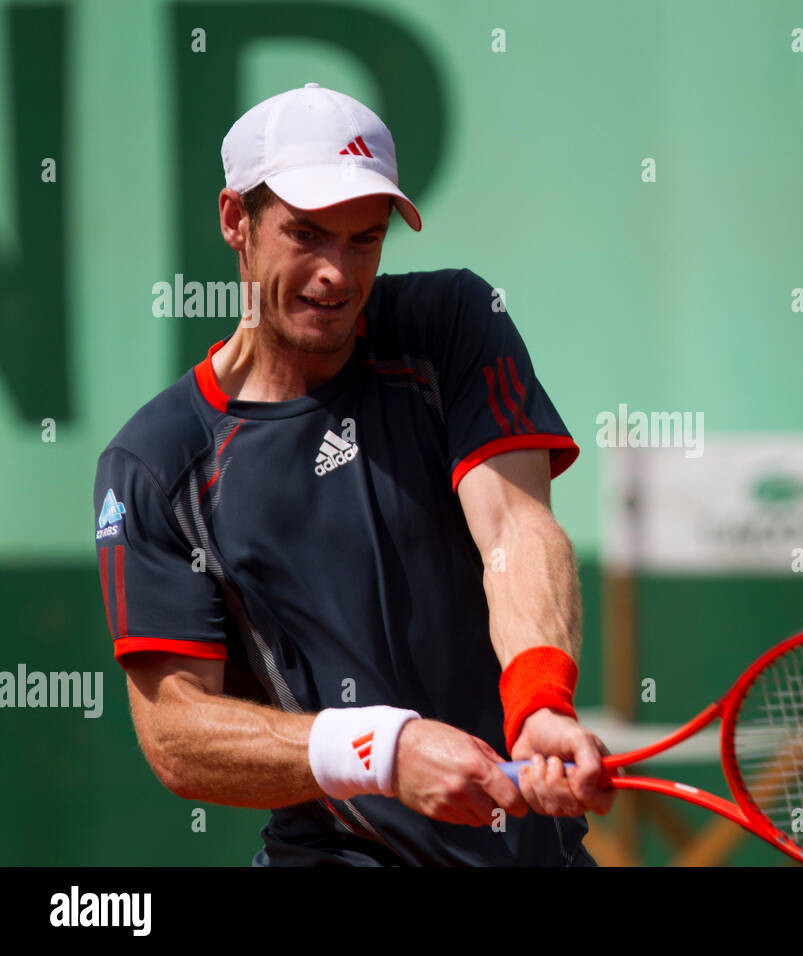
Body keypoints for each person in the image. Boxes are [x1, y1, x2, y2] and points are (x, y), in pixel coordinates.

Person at [92, 83, 615, 865]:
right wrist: (380, 750)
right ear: (237, 221)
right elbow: (178, 734)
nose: (336, 274)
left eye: (363, 239)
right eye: (305, 234)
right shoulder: (157, 461)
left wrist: (539, 698)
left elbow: (515, 528)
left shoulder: (452, 325)